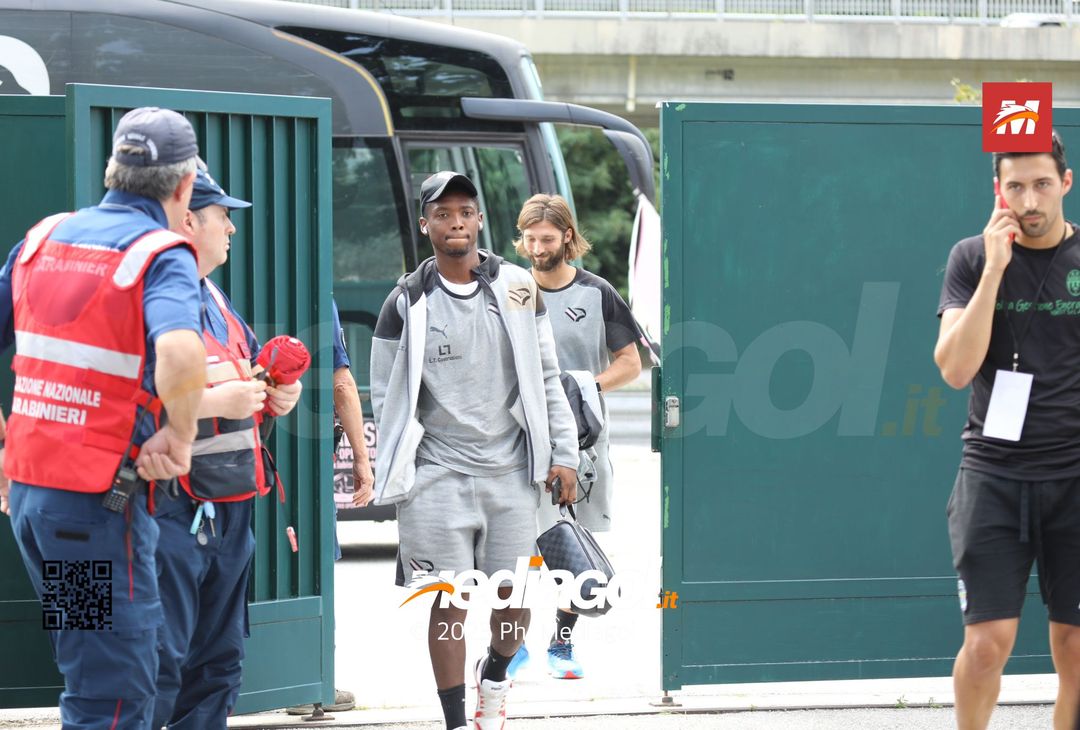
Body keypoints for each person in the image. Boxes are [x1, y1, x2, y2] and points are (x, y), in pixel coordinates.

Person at [0, 107, 207, 728]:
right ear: (183, 186)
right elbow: (178, 349)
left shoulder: (45, 238)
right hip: (93, 513)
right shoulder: (160, 254)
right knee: (112, 690)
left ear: (112, 172)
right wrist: (181, 433)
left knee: (91, 669)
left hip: (41, 502)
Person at [370, 171, 579, 730]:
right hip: (437, 475)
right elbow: (385, 394)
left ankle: (496, 676)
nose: (455, 221)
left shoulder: (516, 286)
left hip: (511, 472)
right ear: (425, 225)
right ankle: (457, 721)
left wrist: (563, 454)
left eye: (465, 211)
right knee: (450, 603)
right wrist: (399, 467)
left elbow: (548, 376)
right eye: (443, 213)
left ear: (480, 220)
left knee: (513, 601)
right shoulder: (406, 301)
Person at [934, 130, 1080, 730]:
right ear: (999, 191)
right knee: (988, 643)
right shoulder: (971, 256)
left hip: (1074, 475)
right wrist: (995, 271)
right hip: (994, 474)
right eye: (1015, 187)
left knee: (1075, 644)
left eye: (1042, 184)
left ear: (1065, 183)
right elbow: (954, 368)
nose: (1030, 201)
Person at [152, 166, 302, 728]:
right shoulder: (147, 290)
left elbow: (247, 367)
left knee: (218, 660)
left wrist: (275, 393)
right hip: (152, 506)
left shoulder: (211, 291)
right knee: (136, 662)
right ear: (188, 218)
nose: (232, 230)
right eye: (223, 217)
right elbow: (120, 403)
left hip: (224, 504)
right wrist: (219, 402)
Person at [511, 193, 642, 680]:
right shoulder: (512, 288)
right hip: (524, 439)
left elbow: (631, 363)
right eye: (529, 239)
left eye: (546, 238)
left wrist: (582, 386)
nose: (537, 247)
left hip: (585, 441)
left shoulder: (598, 292)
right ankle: (513, 643)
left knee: (576, 543)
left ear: (568, 236)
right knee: (521, 543)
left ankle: (561, 645)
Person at [286, 298, 371, 716]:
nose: (229, 227)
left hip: (82, 490)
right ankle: (305, 682)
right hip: (297, 460)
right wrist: (362, 458)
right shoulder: (316, 295)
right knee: (310, 564)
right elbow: (341, 383)